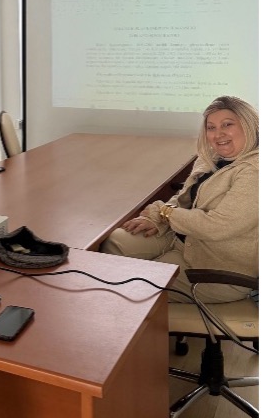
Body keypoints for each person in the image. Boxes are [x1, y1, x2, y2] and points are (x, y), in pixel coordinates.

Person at [100, 96, 258, 303]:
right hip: (185, 240)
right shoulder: (211, 157)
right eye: (211, 127)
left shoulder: (255, 171)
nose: (218, 134)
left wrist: (164, 212)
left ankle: (136, 318)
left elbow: (217, 226)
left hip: (215, 268)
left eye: (227, 125)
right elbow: (185, 198)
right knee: (116, 243)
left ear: (248, 125)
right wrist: (156, 218)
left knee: (130, 282)